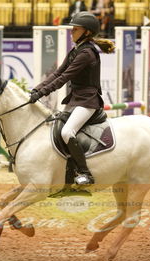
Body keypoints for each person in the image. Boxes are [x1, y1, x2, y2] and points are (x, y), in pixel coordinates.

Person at [29, 11, 115, 186]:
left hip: (87, 101)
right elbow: (57, 73)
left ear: (87, 32)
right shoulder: (76, 50)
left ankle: (85, 173)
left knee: (67, 132)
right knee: (55, 129)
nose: (71, 32)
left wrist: (42, 93)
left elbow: (64, 78)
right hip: (75, 100)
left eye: (75, 29)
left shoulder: (87, 53)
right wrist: (35, 90)